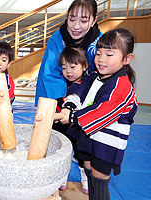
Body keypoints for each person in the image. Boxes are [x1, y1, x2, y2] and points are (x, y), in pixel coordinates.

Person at [59, 28, 138, 200]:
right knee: (89, 173)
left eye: (109, 55)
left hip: (106, 143)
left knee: (99, 181)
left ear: (127, 59)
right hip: (88, 135)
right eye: (98, 53)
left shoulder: (123, 87)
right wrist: (70, 105)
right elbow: (78, 89)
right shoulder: (94, 77)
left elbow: (104, 110)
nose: (101, 59)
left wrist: (73, 116)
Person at [35, 0, 102, 106]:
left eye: (83, 21)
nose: (76, 26)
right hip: (57, 97)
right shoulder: (57, 39)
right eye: (72, 19)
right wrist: (62, 102)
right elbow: (51, 73)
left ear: (94, 21)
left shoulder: (99, 43)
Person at [53, 47, 89, 194]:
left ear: (84, 66)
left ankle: (85, 178)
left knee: (82, 153)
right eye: (64, 68)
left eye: (73, 67)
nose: (68, 71)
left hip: (80, 126)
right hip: (65, 124)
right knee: (64, 150)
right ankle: (63, 176)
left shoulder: (88, 83)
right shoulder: (61, 84)